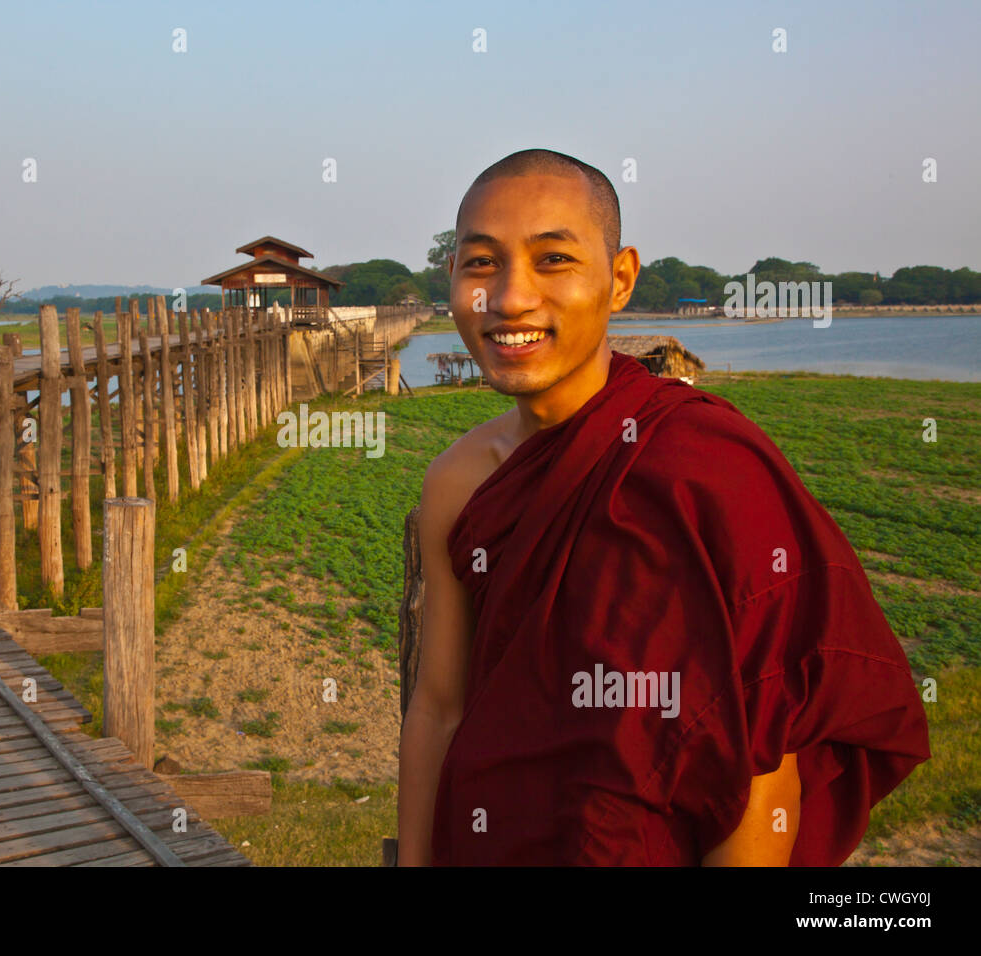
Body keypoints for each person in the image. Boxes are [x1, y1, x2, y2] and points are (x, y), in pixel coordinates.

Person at [396, 148, 930, 866]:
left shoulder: (703, 465)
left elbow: (763, 757)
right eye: (481, 263)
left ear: (619, 281)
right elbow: (437, 707)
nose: (511, 298)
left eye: (553, 260)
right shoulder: (456, 484)